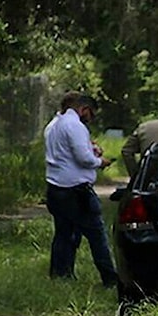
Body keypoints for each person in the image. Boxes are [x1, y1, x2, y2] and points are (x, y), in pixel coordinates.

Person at [44, 92, 119, 286]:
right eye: (91, 114)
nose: (90, 119)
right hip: (76, 190)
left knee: (64, 233)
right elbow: (83, 159)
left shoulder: (53, 125)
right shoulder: (74, 125)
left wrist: (90, 148)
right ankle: (110, 278)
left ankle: (60, 274)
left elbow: (68, 152)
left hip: (56, 187)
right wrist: (100, 161)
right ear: (83, 109)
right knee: (96, 234)